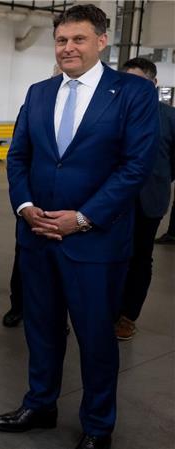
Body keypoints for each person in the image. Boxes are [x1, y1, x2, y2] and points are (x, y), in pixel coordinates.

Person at [0, 5, 159, 449]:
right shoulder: (40, 91)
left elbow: (135, 166)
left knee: (95, 339)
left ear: (101, 41)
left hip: (96, 243)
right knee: (41, 330)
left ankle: (98, 425)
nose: (68, 48)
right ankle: (40, 403)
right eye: (62, 40)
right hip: (37, 236)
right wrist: (26, 206)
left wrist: (82, 218)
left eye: (78, 39)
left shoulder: (131, 94)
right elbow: (19, 157)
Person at [114, 57, 175, 340]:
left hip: (149, 200)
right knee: (111, 256)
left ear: (153, 84)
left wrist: (160, 179)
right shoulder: (112, 111)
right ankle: (106, 309)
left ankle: (128, 316)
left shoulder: (169, 117)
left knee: (140, 259)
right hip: (113, 199)